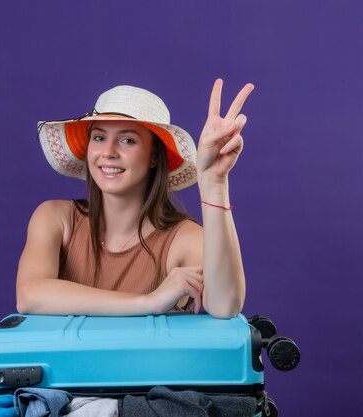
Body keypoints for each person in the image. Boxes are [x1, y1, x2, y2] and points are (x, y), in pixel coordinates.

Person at [16, 80, 254, 318]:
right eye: (99, 138)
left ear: (154, 156)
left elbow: (225, 305)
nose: (108, 152)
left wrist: (215, 184)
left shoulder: (183, 239)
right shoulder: (55, 219)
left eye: (127, 140)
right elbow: (29, 295)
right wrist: (149, 302)